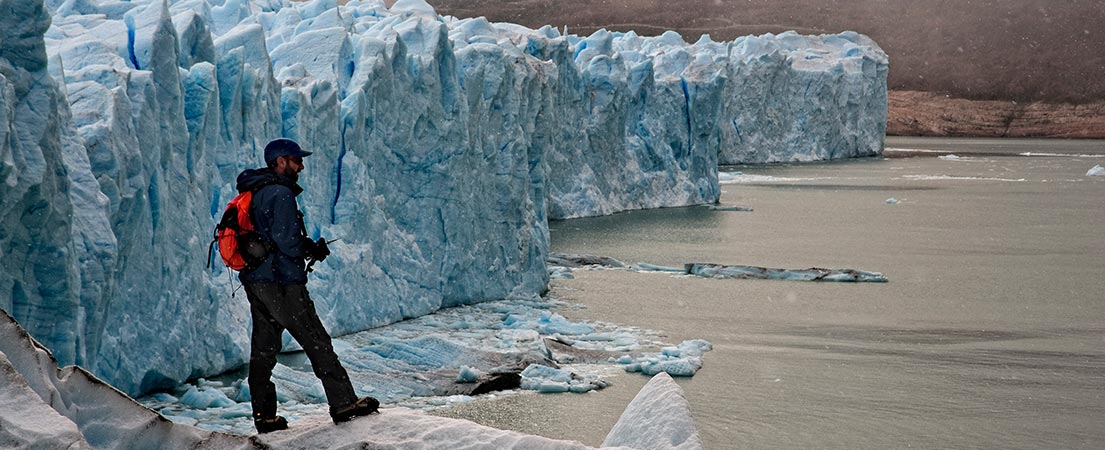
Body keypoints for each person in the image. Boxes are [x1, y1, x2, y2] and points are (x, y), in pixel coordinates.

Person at [235, 138, 378, 433]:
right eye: (295, 160)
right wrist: (310, 249)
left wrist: (304, 246)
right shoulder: (280, 194)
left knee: (263, 350)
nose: (300, 166)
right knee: (316, 340)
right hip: (282, 283)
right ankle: (344, 403)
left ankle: (264, 416)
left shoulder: (255, 191)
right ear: (279, 161)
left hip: (257, 282)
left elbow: (270, 237)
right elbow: (287, 241)